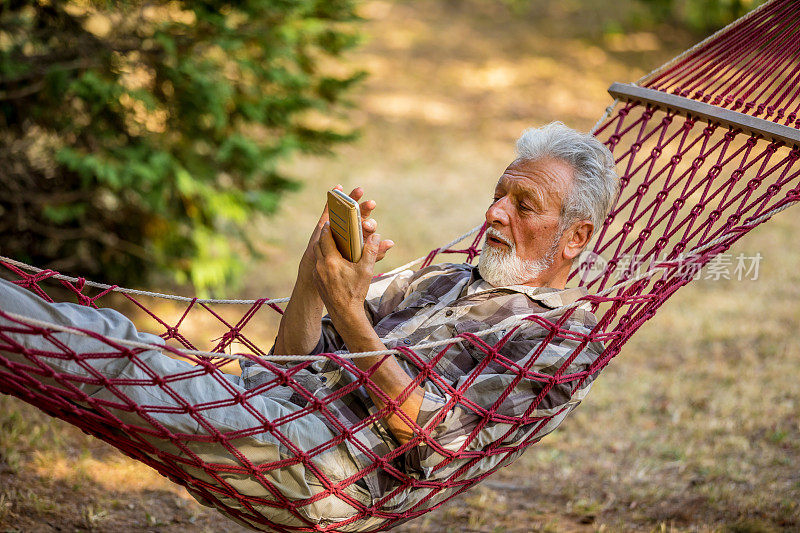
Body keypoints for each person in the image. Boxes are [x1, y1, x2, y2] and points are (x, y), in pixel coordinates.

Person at [0, 122, 618, 531]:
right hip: (277, 414)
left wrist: (351, 316)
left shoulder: (561, 341)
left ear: (577, 237)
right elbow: (290, 361)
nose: (493, 212)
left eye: (523, 205)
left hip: (328, 472)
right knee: (116, 344)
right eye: (498, 194)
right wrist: (312, 280)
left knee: (115, 352)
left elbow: (436, 439)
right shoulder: (449, 279)